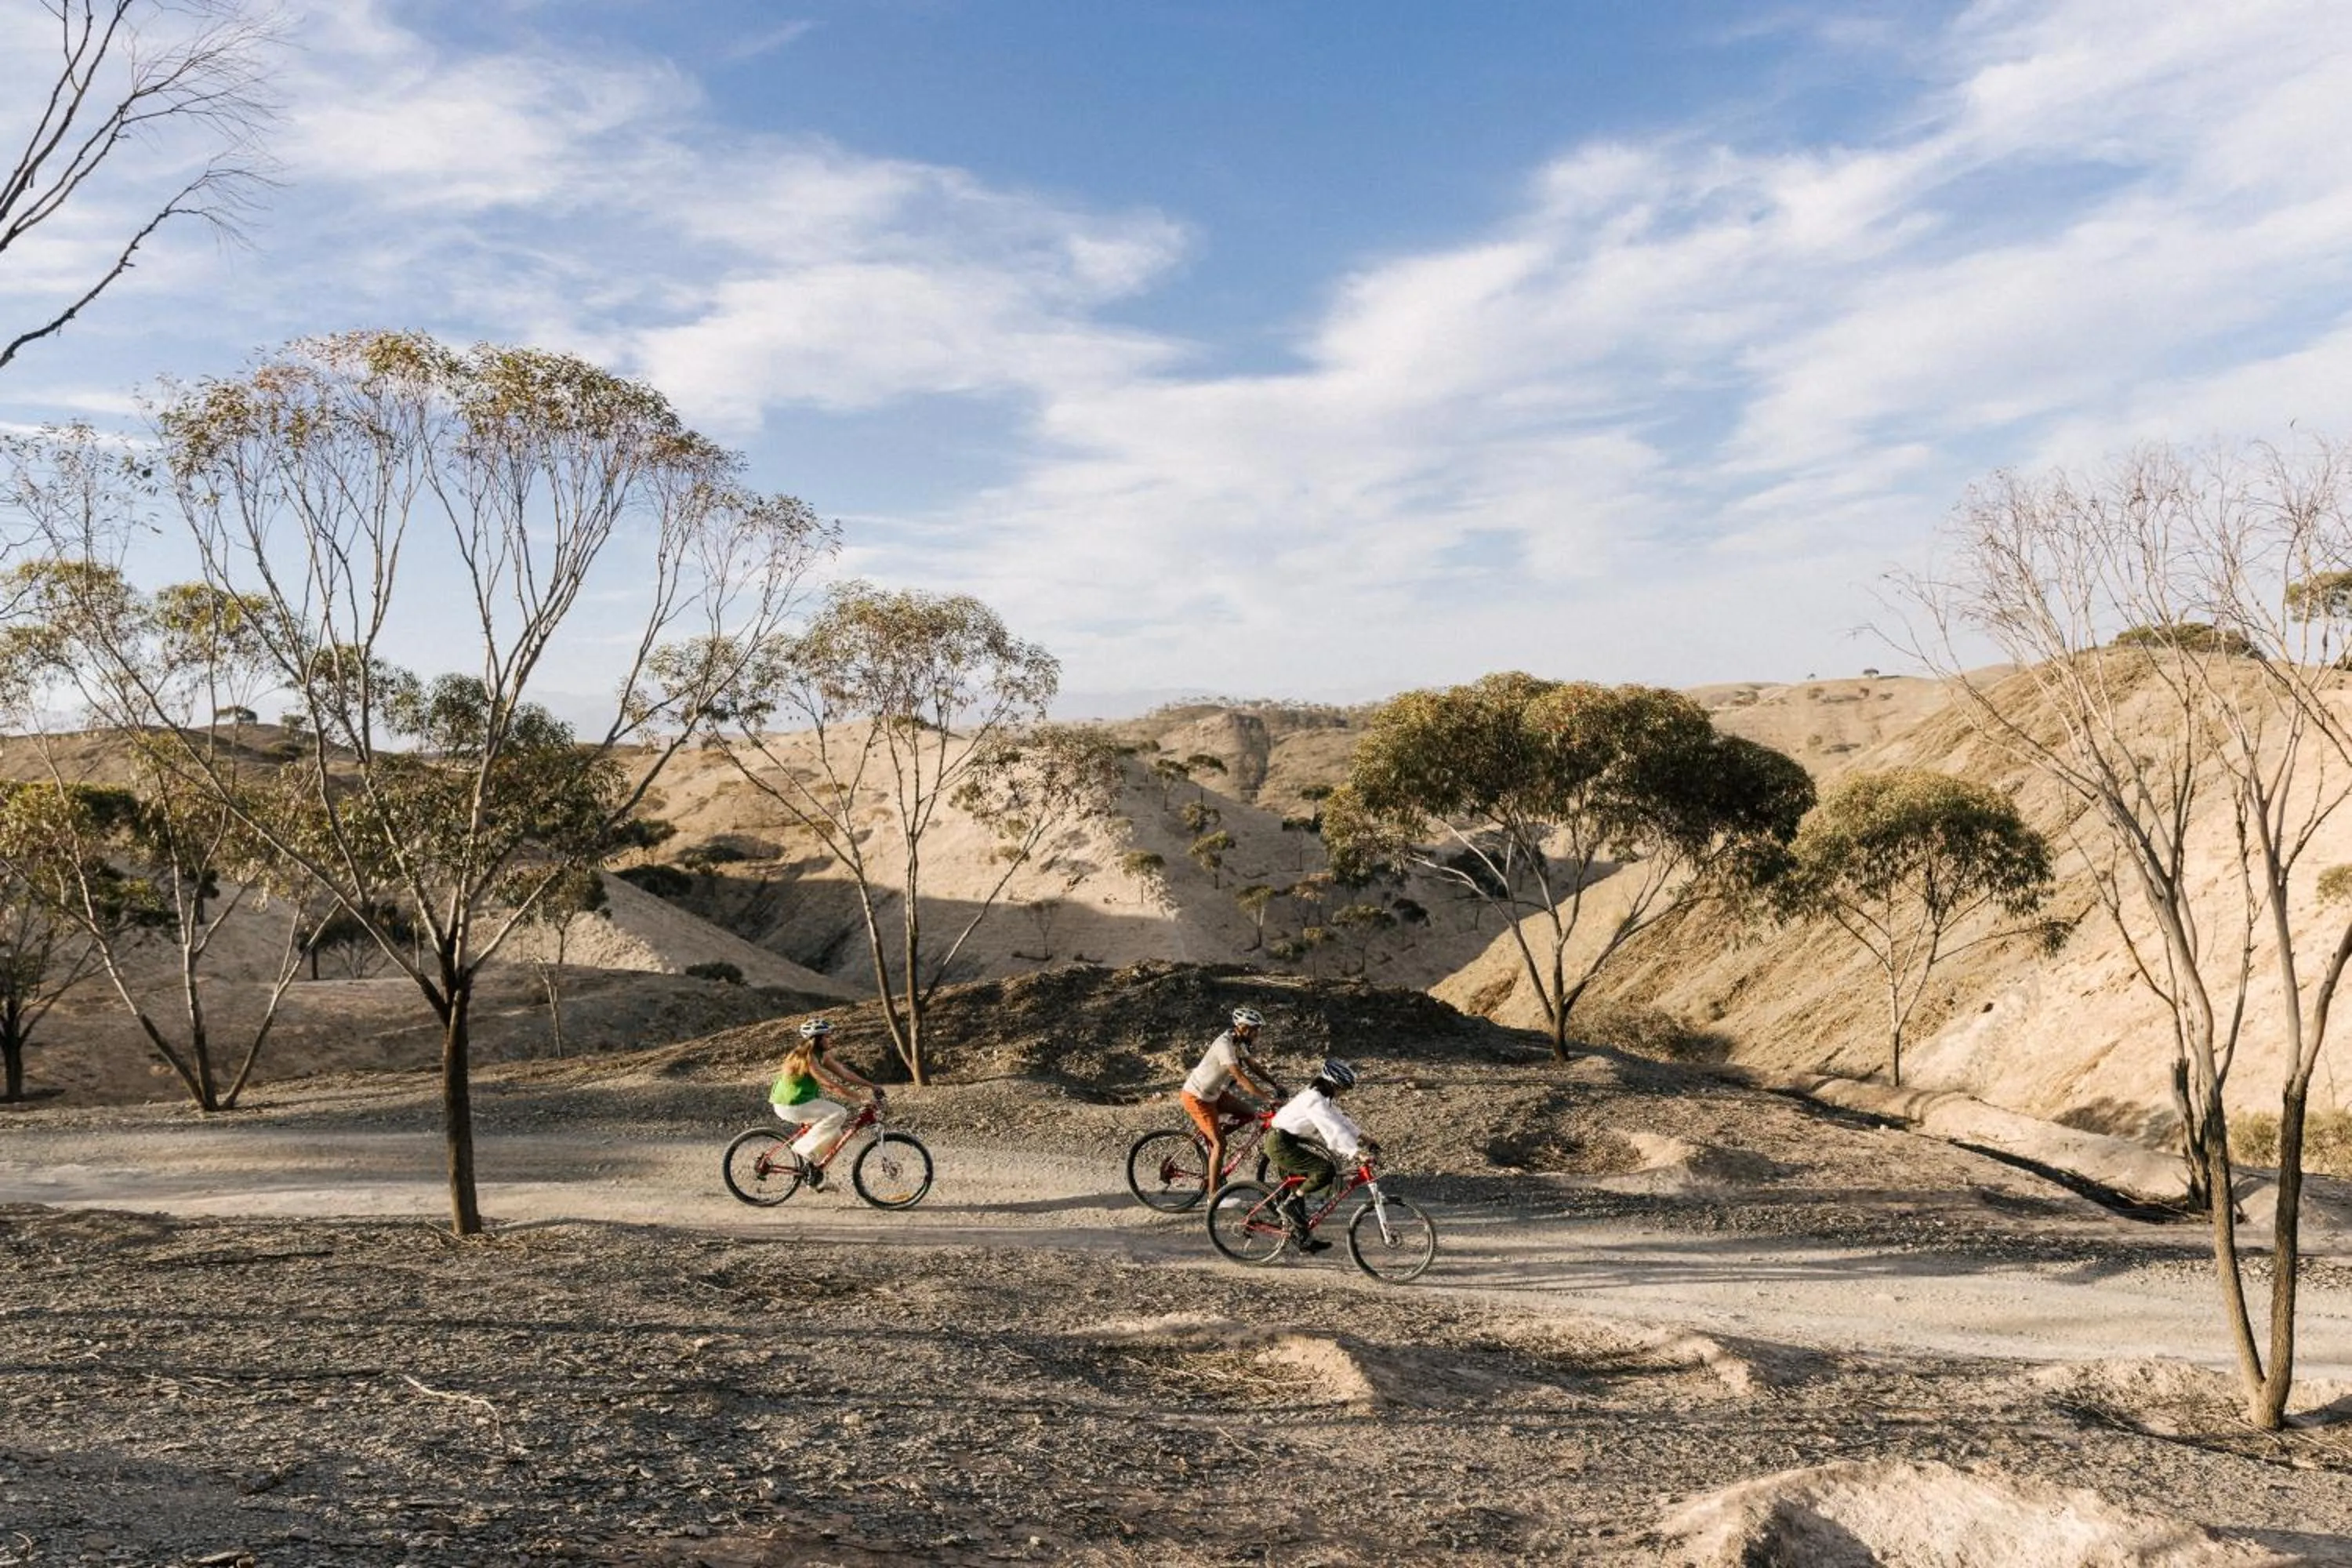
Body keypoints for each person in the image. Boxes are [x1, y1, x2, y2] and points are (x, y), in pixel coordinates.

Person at [1265, 1058, 1375, 1253]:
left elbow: (1340, 1119)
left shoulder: (1322, 1098)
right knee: (1325, 1170)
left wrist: (1364, 1137)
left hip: (1288, 1141)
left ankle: (1304, 1240)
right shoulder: (1315, 1102)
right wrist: (1356, 1153)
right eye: (1344, 1088)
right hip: (1281, 1144)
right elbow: (1333, 1130)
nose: (1344, 1093)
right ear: (1333, 1085)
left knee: (1303, 1184)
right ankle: (1289, 1206)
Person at [1181, 1005, 1285, 1196]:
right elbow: (1240, 1077)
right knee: (1221, 1145)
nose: (1258, 1034)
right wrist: (1266, 1097)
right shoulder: (1225, 1045)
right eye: (1256, 1030)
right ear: (1244, 1028)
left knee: (1249, 1113)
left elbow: (1254, 1067)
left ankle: (1214, 1136)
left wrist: (1275, 1084)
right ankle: (1213, 1195)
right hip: (1197, 1097)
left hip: (1215, 1095)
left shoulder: (1240, 1043)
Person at [770, 1017, 879, 1188]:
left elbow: (845, 1074)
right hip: (790, 1105)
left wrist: (873, 1086)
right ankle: (803, 1149)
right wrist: (861, 1099)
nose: (831, 1039)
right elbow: (831, 1086)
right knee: (839, 1113)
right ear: (817, 1039)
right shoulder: (808, 1058)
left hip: (802, 1102)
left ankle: (816, 1179)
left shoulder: (821, 1055)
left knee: (835, 1137)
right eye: (827, 1036)